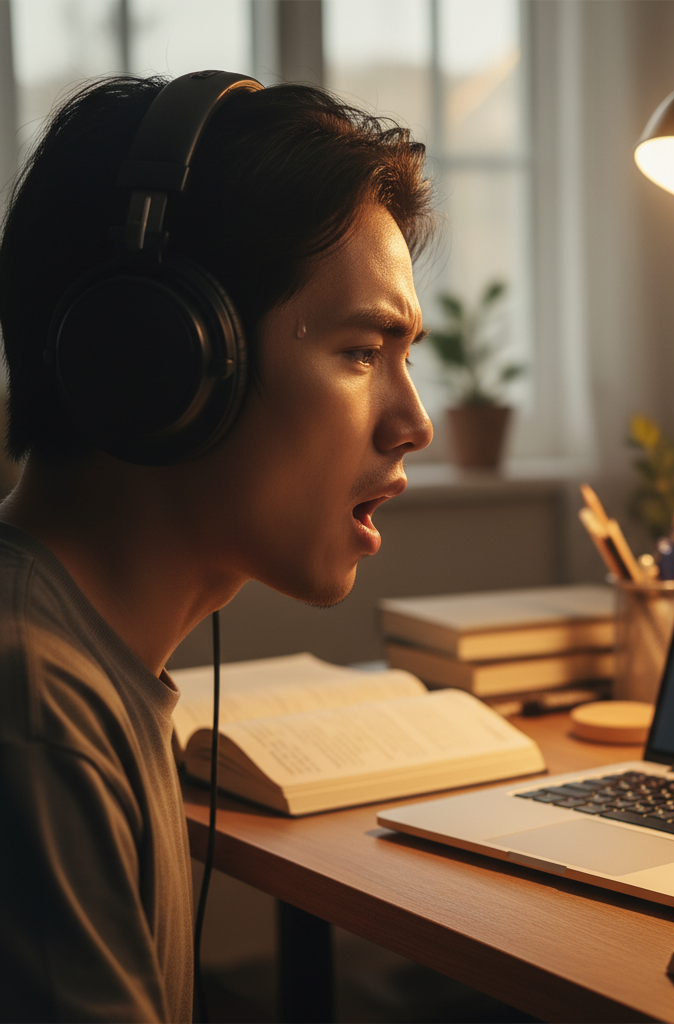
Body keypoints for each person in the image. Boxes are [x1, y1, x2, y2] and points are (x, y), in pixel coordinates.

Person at [0, 73, 434, 1022]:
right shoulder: (35, 720)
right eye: (363, 353)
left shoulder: (83, 671)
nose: (416, 423)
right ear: (160, 358)